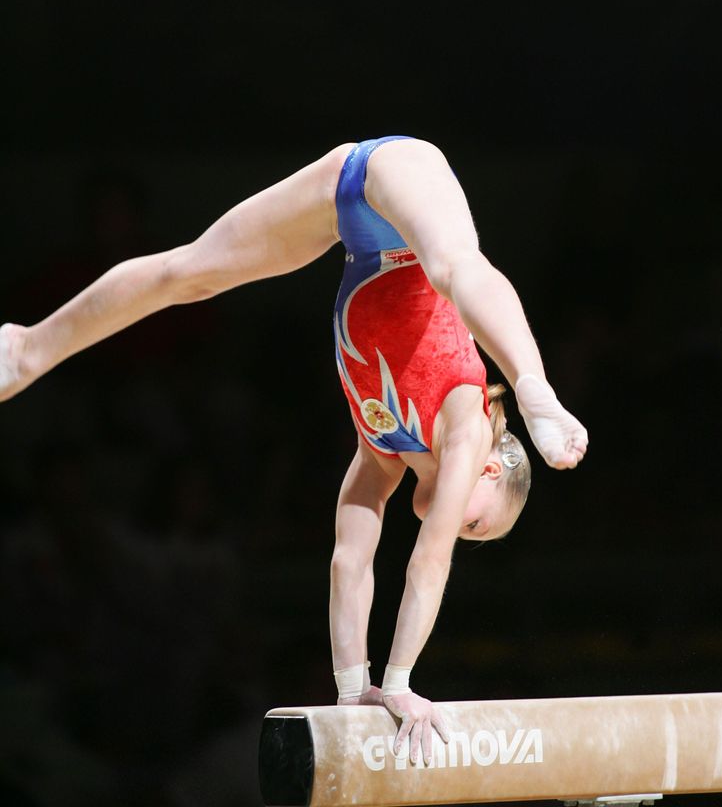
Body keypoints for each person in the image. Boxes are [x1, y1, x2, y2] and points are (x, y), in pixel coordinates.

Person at [0, 134, 588, 765]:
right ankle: (535, 387)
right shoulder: (467, 426)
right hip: (405, 182)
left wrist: (352, 692)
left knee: (188, 274)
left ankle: (22, 347)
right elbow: (427, 564)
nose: (459, 528)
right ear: (492, 467)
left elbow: (349, 563)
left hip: (351, 208)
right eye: (476, 520)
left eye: (469, 533)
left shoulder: (382, 449)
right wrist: (399, 687)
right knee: (453, 265)